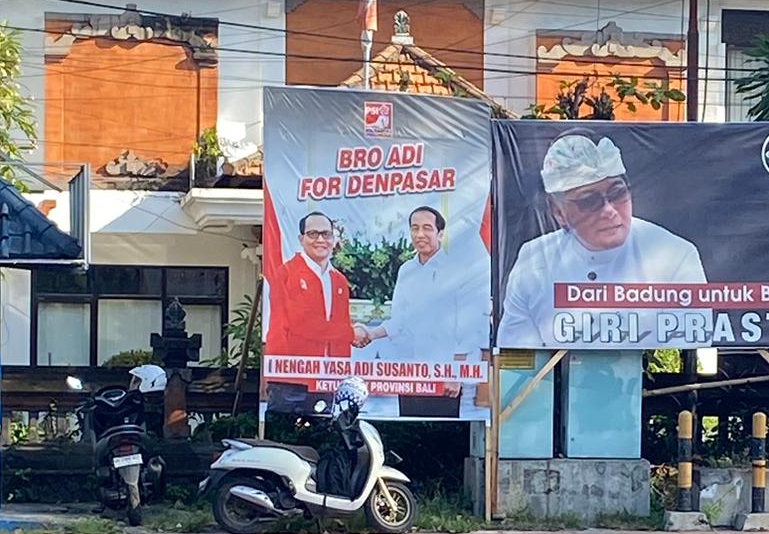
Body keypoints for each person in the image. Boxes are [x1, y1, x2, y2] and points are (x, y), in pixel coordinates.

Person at [496, 132, 708, 348]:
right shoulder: (534, 260)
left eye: (617, 193)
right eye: (589, 201)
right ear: (559, 212)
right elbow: (516, 354)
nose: (609, 210)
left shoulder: (674, 255)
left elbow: (687, 349)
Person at [353, 205, 490, 418]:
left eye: (427, 228)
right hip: (411, 373)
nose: (420, 234)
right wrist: (371, 334)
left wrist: (455, 373)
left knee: (443, 432)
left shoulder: (458, 271)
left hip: (446, 376)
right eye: (415, 228)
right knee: (410, 423)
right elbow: (399, 321)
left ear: (440, 233)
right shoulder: (406, 270)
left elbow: (467, 327)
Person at [264, 212, 355, 413]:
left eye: (326, 234)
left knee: (323, 432)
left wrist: (342, 375)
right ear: (301, 239)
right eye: (313, 234)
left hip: (328, 379)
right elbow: (302, 324)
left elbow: (341, 328)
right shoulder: (286, 274)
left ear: (334, 239)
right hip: (290, 378)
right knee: (284, 432)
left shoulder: (339, 280)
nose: (320, 240)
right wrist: (352, 334)